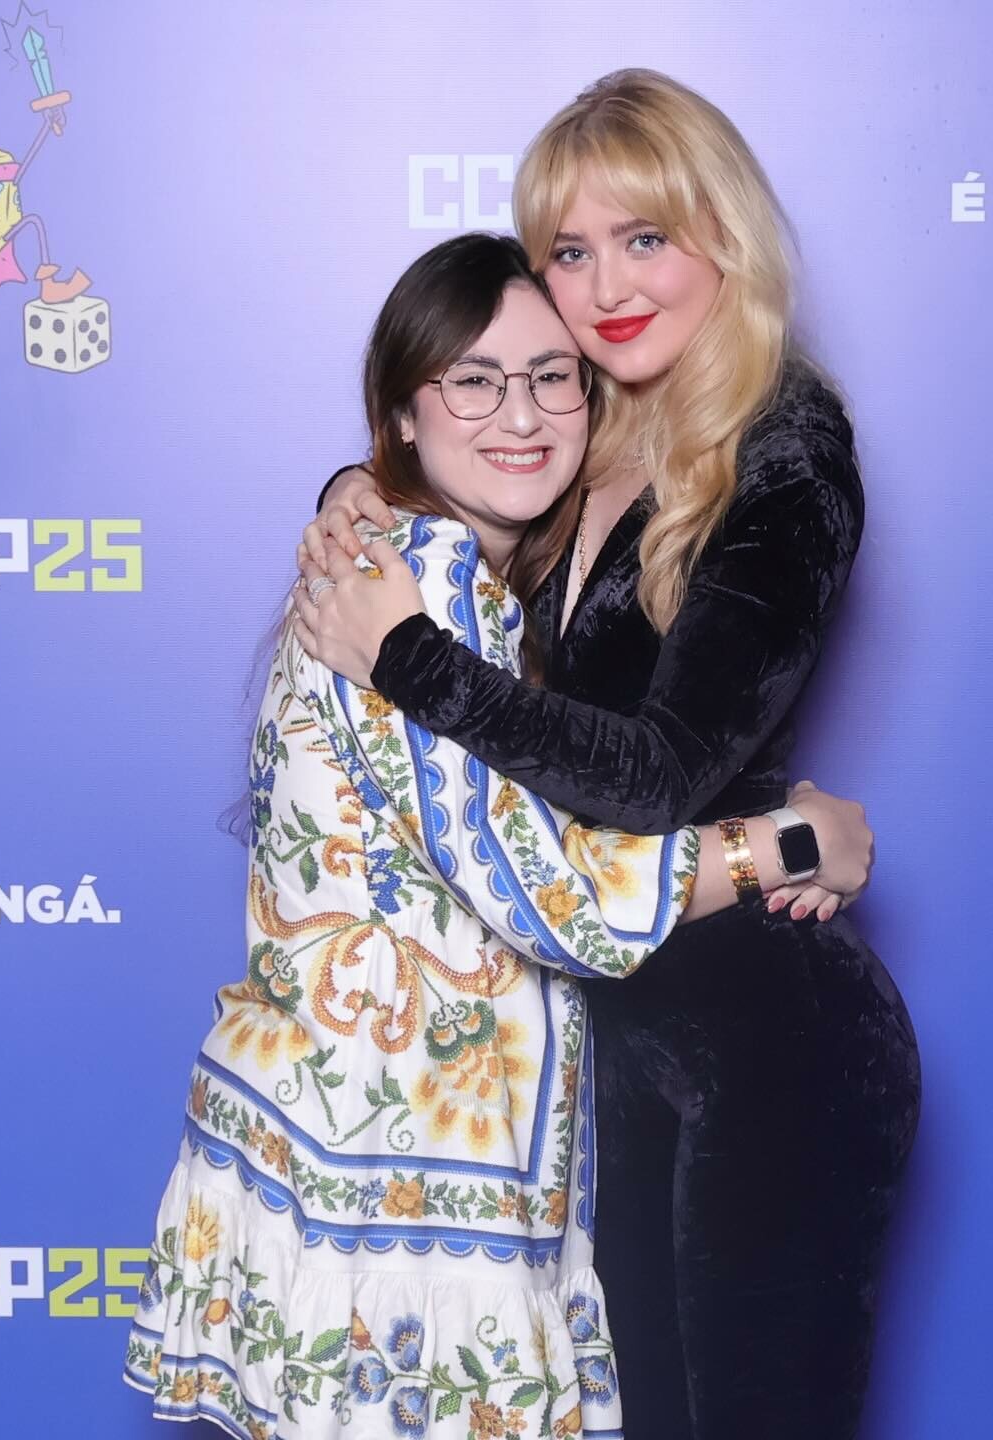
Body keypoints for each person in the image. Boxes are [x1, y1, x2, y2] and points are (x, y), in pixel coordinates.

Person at [124, 231, 871, 1440]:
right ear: (403, 413)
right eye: (473, 381)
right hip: (393, 1197)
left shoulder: (422, 569)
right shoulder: (415, 592)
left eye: (550, 376)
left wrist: (355, 482)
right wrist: (787, 843)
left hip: (352, 1159)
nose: (520, 414)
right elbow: (553, 897)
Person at [294, 70, 921, 1440]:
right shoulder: (585, 425)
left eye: (646, 238)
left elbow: (655, 774)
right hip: (601, 1024)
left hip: (766, 1036)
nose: (607, 286)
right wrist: (354, 491)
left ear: (725, 238)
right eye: (570, 252)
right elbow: (440, 456)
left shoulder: (786, 448)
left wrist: (408, 657)